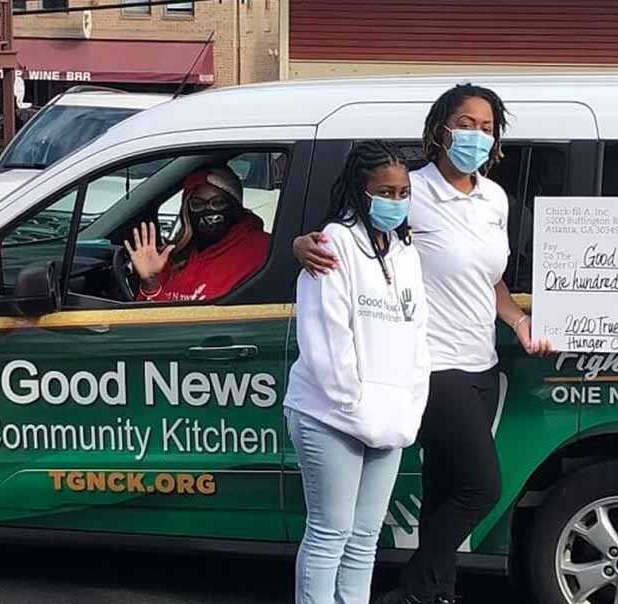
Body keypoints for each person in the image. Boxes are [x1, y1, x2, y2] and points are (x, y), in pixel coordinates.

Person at [294, 84, 552, 604]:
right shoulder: (408, 190)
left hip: (483, 362)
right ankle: (414, 588)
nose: (475, 135)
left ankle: (435, 593)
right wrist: (304, 243)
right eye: (465, 122)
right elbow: (358, 234)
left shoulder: (495, 199)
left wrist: (519, 320)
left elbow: (489, 278)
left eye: (486, 127)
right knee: (481, 487)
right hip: (433, 366)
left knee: (442, 491)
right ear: (439, 128)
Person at [284, 141, 430, 604]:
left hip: (389, 420)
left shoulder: (406, 253)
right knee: (331, 532)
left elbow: (416, 335)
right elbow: (327, 337)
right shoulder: (332, 245)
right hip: (331, 414)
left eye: (403, 191)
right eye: (385, 191)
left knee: (365, 536)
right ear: (359, 191)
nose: (396, 200)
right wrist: (355, 405)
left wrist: (409, 405)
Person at [126, 165, 269, 302]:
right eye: (198, 204)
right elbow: (150, 318)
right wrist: (150, 281)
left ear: (234, 206)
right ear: (187, 211)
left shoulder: (259, 251)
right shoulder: (177, 256)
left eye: (218, 203)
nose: (208, 211)